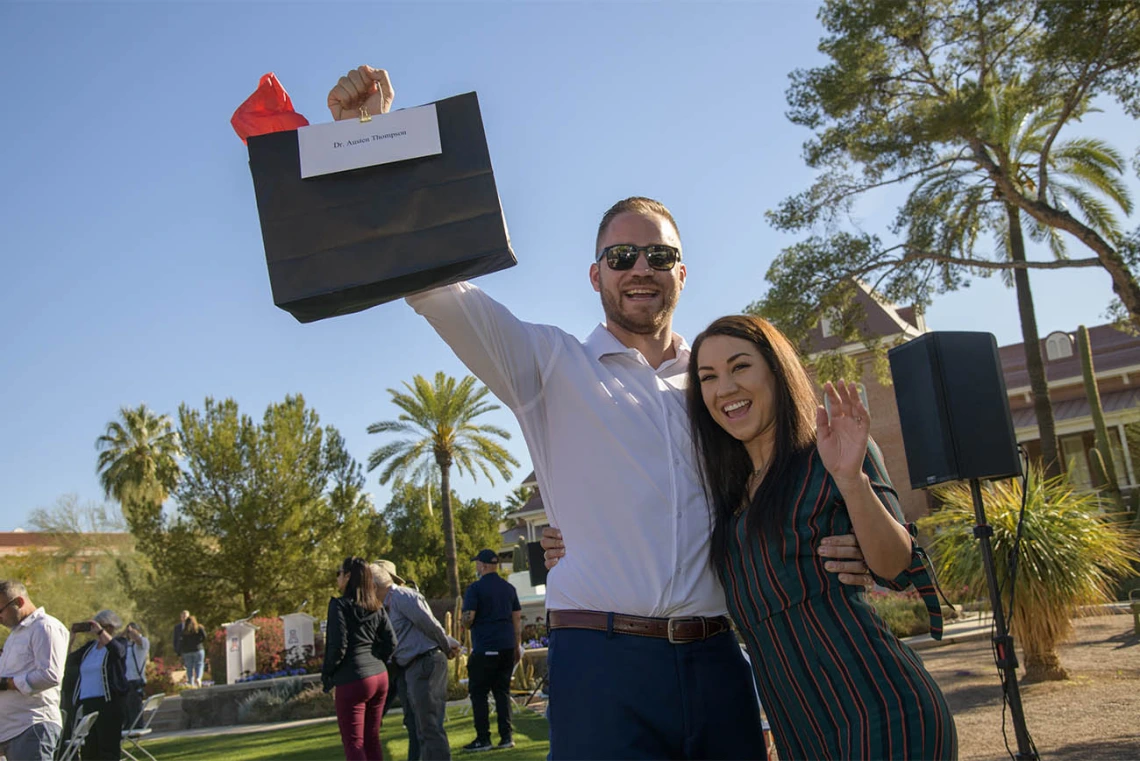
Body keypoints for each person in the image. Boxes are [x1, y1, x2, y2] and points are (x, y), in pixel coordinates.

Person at [685, 314, 957, 759]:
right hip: (800, 735)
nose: (725, 388)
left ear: (775, 371)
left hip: (883, 712)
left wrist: (852, 482)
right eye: (708, 377)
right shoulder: (724, 495)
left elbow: (893, 564)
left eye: (740, 367)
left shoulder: (832, 453)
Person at [372, 559, 458, 761]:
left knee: (429, 727)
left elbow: (431, 625)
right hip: (412, 666)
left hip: (425, 662)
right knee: (421, 727)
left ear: (374, 586)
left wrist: (446, 648)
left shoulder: (403, 597)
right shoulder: (386, 605)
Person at [323, 557, 398, 761]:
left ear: (348, 576)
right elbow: (391, 641)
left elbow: (337, 646)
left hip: (353, 679)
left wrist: (328, 675)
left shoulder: (339, 606)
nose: (337, 578)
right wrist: (376, 659)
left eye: (338, 573)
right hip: (379, 677)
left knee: (354, 743)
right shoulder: (376, 606)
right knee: (371, 739)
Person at [460, 550, 522, 753]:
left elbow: (469, 618)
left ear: (483, 565)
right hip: (506, 647)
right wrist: (516, 646)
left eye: (477, 563)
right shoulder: (509, 589)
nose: (476, 567)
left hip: (486, 647)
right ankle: (506, 736)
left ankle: (483, 738)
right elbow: (516, 620)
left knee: (478, 694)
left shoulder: (475, 589)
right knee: (502, 693)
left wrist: (465, 623)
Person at [0, 580, 69, 761]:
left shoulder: (45, 627)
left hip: (32, 726)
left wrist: (6, 683)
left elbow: (50, 675)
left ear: (19, 602)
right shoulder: (15, 635)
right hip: (10, 729)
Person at [60, 609, 129, 761]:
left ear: (110, 627)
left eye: (101, 625)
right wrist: (71, 637)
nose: (95, 629)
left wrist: (100, 631)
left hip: (109, 702)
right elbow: (67, 660)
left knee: (107, 748)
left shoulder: (119, 643)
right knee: (89, 750)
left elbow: (118, 652)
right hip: (88, 703)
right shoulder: (90, 648)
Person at [122, 622, 150, 729]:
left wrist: (132, 631)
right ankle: (128, 728)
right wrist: (123, 633)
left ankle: (137, 728)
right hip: (125, 680)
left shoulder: (143, 642)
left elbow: (137, 640)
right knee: (126, 710)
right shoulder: (126, 645)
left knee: (135, 708)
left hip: (136, 680)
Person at [179, 615, 207, 688]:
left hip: (187, 651)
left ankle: (191, 683)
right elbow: (205, 636)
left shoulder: (184, 631)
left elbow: (182, 642)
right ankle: (198, 678)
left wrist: (182, 652)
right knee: (199, 664)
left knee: (189, 667)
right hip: (198, 649)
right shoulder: (199, 628)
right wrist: (199, 642)